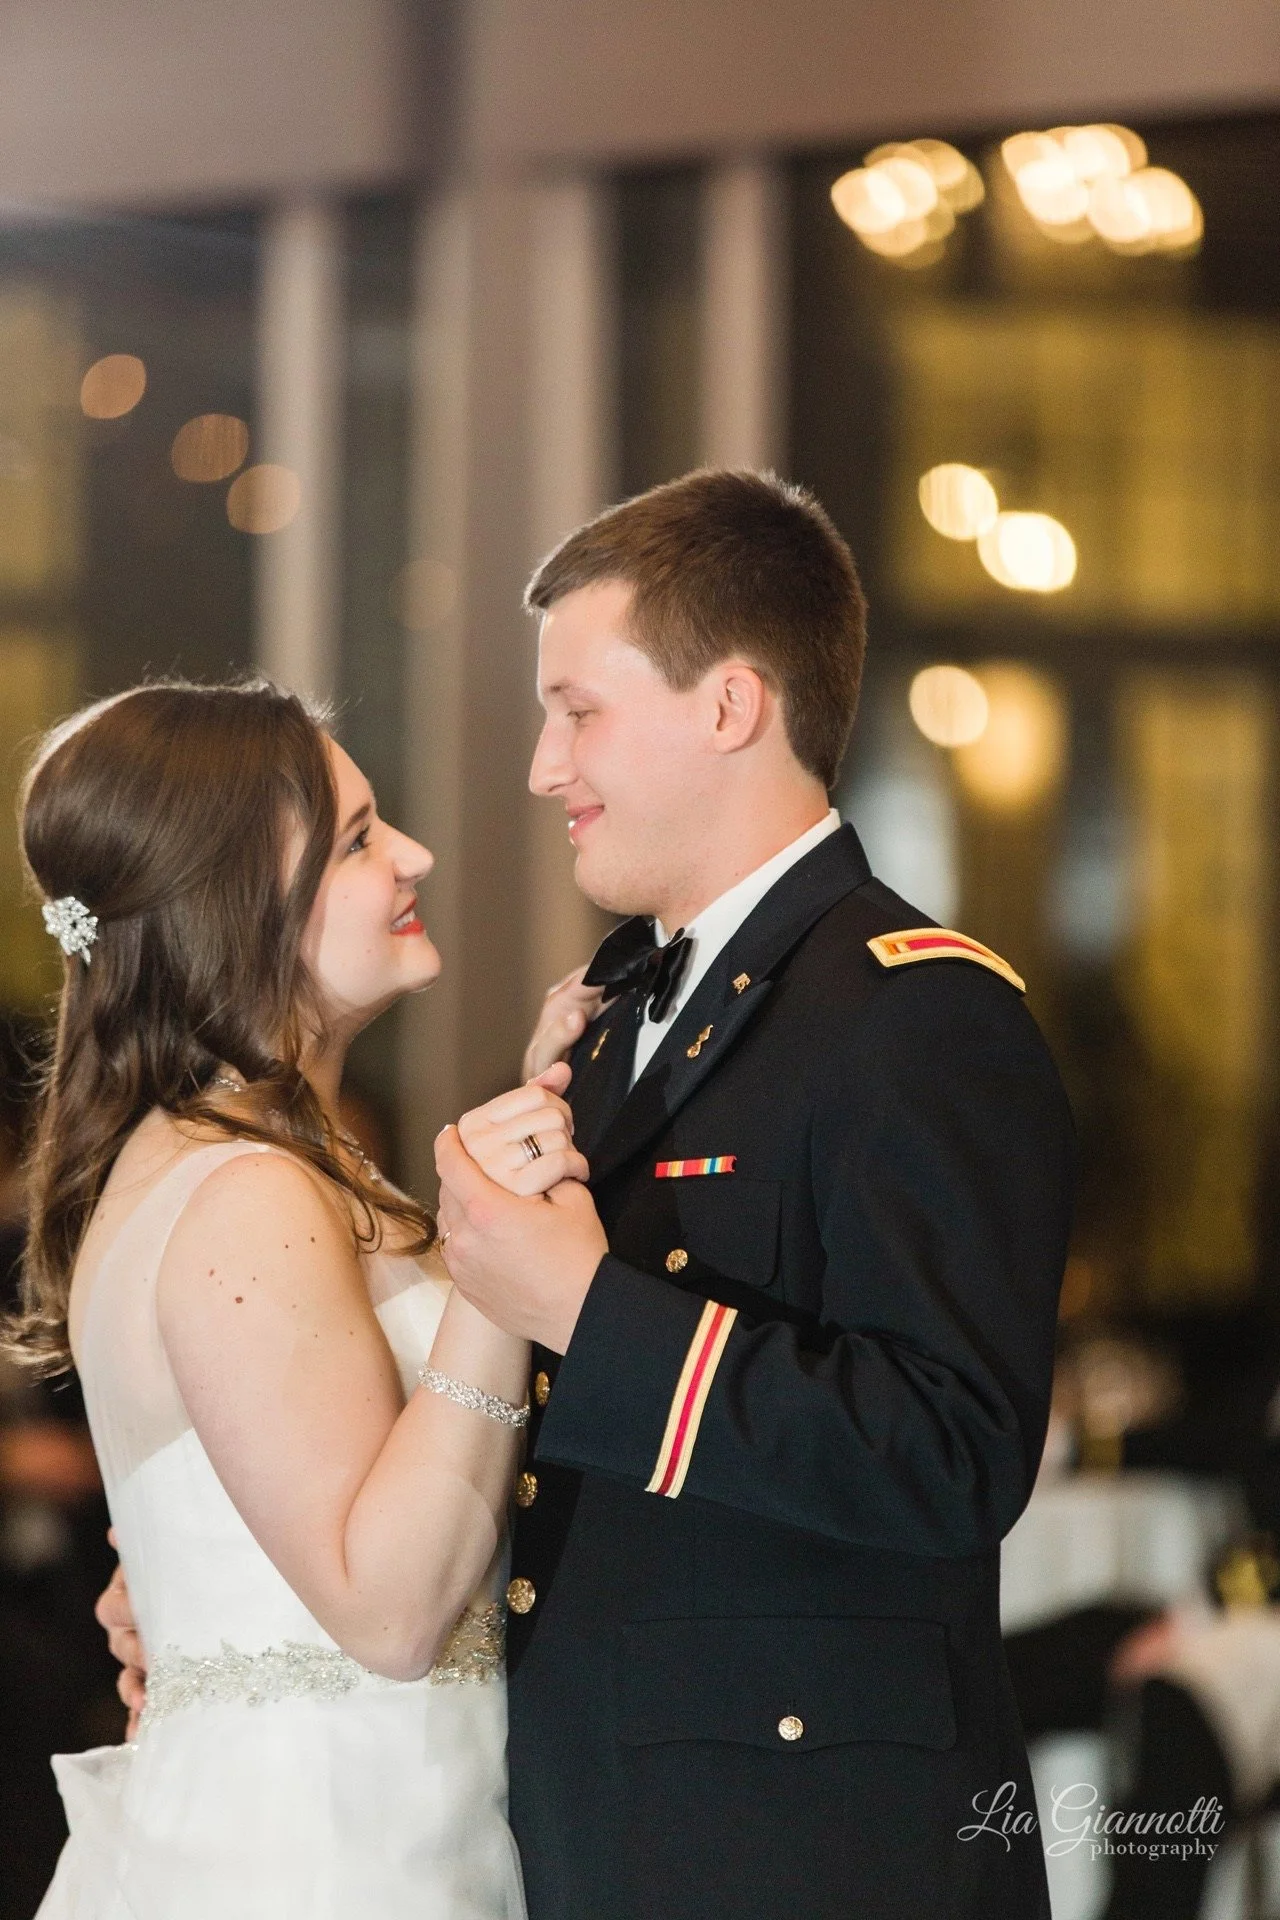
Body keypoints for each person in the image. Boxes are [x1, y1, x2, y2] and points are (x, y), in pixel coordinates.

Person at [432, 469, 1078, 1919]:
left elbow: (952, 1454)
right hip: (600, 1813)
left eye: (578, 710)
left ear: (730, 707)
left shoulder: (920, 1016)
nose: (545, 766)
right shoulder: (609, 1008)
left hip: (809, 1849)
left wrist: (590, 1314)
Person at [5, 677, 589, 1920]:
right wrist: (492, 1259)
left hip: (384, 1825)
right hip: (321, 1858)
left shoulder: (265, 1160)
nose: (414, 853)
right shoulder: (241, 1194)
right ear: (238, 905)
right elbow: (384, 1608)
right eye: (361, 840)